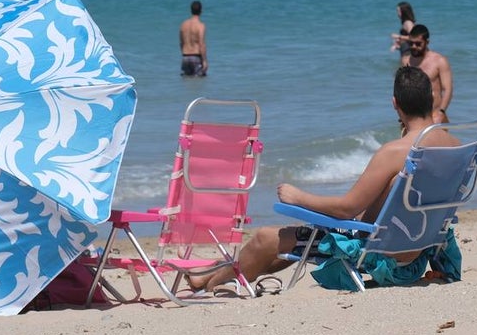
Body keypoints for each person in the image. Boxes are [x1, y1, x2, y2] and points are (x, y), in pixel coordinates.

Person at [188, 66, 459, 292]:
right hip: (416, 251)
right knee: (284, 243)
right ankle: (210, 275)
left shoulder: (394, 152)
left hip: (375, 253)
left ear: (395, 104)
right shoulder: (456, 147)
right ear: (431, 98)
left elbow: (346, 208)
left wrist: (299, 197)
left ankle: (213, 284)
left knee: (265, 238)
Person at [400, 24, 453, 123]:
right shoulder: (405, 61)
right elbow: (403, 90)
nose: (414, 46)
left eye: (418, 44)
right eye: (411, 43)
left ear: (427, 42)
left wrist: (441, 112)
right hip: (412, 118)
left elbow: (448, 89)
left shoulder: (439, 61)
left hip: (435, 116)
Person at [179, 0, 208, 77]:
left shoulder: (183, 24)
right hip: (196, 57)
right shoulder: (201, 26)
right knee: (199, 85)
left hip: (185, 57)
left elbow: (181, 43)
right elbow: (201, 44)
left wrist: (185, 55)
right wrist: (204, 61)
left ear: (191, 10)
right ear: (201, 11)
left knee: (187, 85)